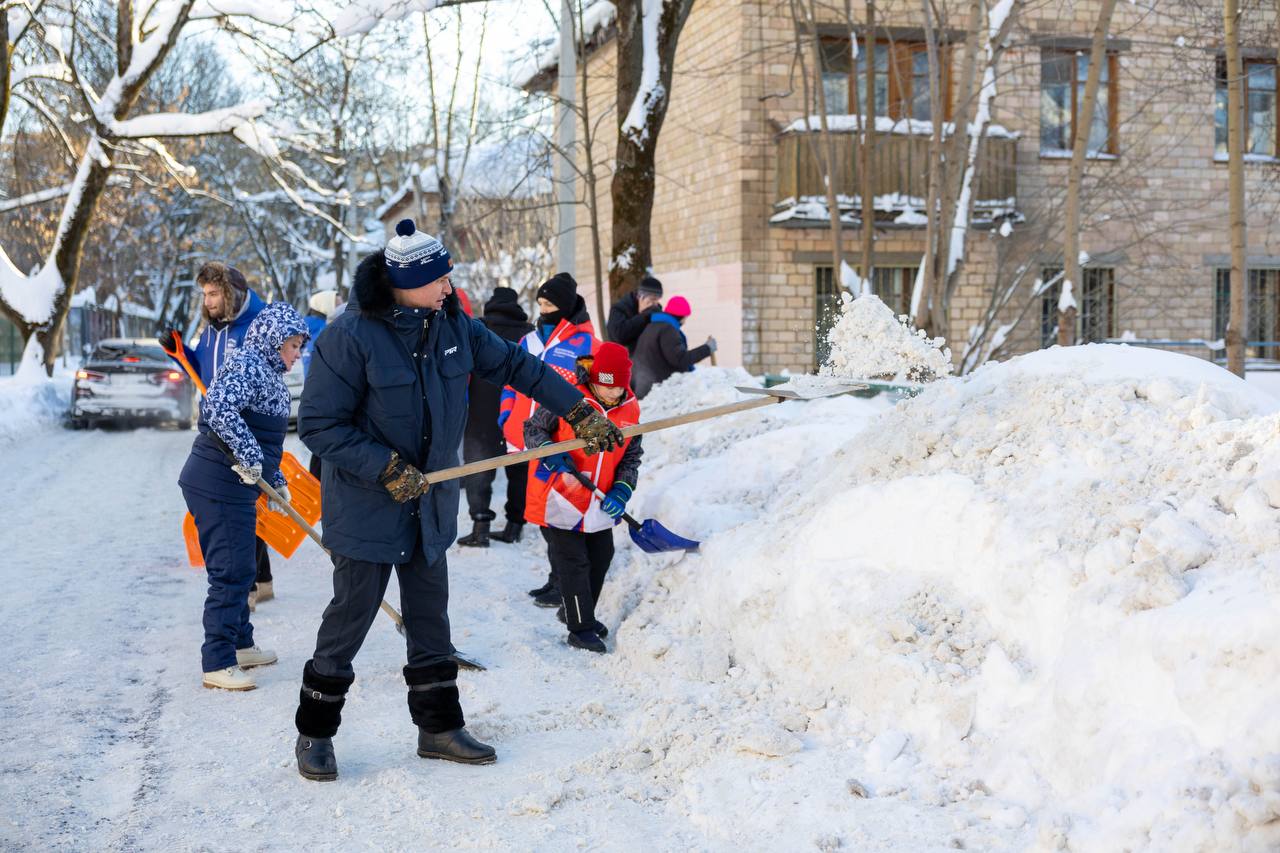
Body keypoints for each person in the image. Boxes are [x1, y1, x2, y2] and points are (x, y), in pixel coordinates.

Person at [292, 220, 624, 782]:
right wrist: (385, 467)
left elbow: (518, 366)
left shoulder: (453, 325)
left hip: (430, 503)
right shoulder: (348, 337)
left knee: (431, 619)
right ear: (405, 283)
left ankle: (439, 728)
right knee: (349, 619)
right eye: (440, 279)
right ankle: (315, 732)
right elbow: (319, 426)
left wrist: (577, 408)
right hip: (367, 505)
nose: (449, 286)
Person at [177, 301, 310, 691]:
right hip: (217, 481)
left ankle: (240, 644)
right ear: (273, 341)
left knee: (244, 567)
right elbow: (219, 409)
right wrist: (251, 459)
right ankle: (217, 661)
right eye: (293, 346)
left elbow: (264, 440)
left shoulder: (268, 374)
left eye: (300, 347)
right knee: (230, 571)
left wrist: (275, 478)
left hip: (238, 484)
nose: (297, 355)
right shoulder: (247, 366)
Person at [159, 263, 278, 608]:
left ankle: (249, 588)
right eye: (204, 294)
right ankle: (263, 580)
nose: (208, 301)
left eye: (213, 293)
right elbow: (201, 370)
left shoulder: (256, 326)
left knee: (236, 505)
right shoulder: (212, 330)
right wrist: (180, 353)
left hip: (244, 426)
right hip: (216, 426)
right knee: (245, 502)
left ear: (232, 293)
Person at [524, 342, 642, 654]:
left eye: (618, 387)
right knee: (573, 562)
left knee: (602, 554)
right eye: (606, 386)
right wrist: (550, 453)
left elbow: (631, 457)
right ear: (593, 378)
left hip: (600, 497)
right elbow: (533, 428)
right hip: (562, 493)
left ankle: (577, 612)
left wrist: (622, 489)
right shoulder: (566, 397)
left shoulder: (631, 409)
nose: (612, 393)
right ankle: (580, 628)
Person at [498, 273, 600, 605]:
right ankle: (556, 577)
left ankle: (566, 583)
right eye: (540, 303)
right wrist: (506, 416)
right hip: (527, 437)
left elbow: (592, 394)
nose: (543, 310)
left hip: (559, 441)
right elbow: (509, 383)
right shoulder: (528, 341)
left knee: (560, 516)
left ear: (566, 307)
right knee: (542, 514)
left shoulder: (586, 345)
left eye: (550, 304)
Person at [457, 287, 534, 548]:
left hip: (481, 414)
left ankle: (480, 528)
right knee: (520, 472)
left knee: (478, 470)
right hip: (517, 415)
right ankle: (514, 526)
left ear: (491, 304)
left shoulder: (479, 331)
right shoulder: (529, 334)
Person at [631, 294, 717, 399]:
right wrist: (707, 348)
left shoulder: (653, 326)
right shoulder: (668, 330)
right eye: (686, 317)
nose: (685, 321)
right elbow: (680, 359)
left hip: (643, 384)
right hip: (655, 391)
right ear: (682, 316)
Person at [606, 276, 663, 354]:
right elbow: (619, 336)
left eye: (657, 300)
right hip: (623, 357)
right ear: (640, 297)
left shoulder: (655, 310)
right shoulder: (619, 309)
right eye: (652, 300)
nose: (655, 304)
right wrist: (643, 315)